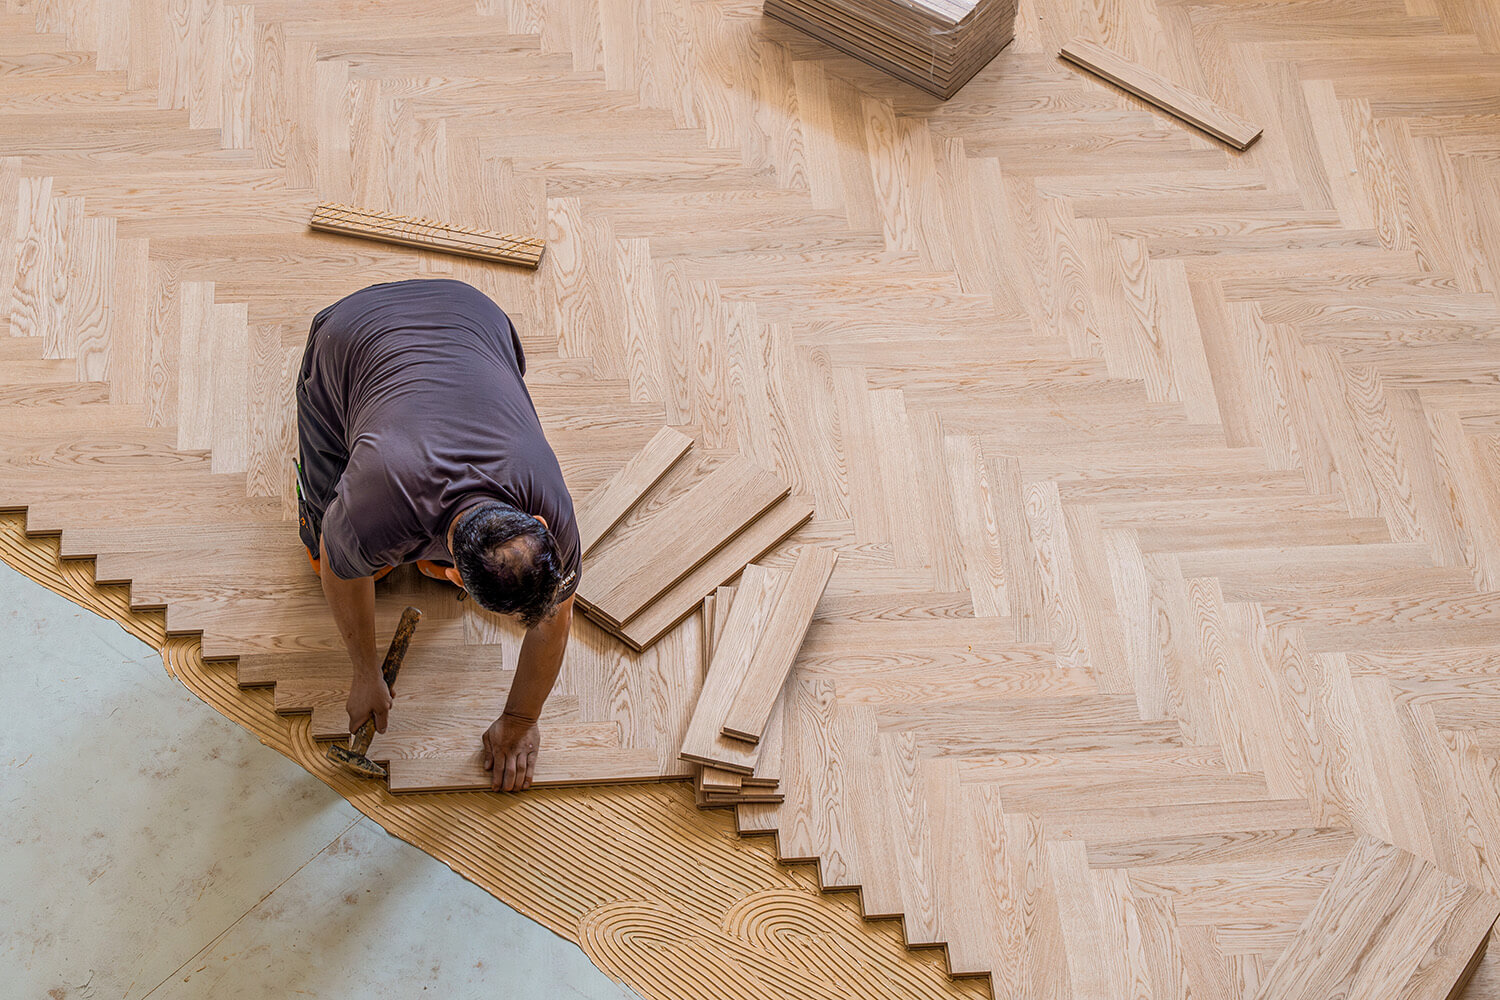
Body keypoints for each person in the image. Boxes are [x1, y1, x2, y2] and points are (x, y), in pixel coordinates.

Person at [293, 278, 580, 792]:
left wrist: (520, 719)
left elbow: (555, 621)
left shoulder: (550, 514)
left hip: (476, 314)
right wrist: (365, 673)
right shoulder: (374, 506)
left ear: (539, 528)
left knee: (374, 558)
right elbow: (340, 570)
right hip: (349, 333)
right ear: (457, 577)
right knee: (326, 553)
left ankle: (414, 558)